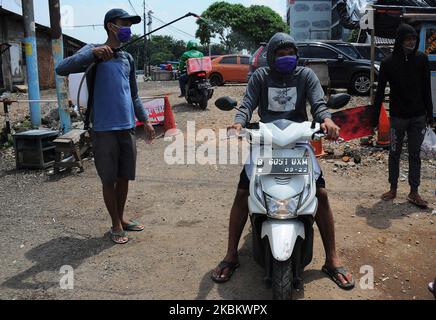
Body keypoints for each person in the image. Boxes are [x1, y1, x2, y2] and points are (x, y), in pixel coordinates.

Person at [211, 33, 355, 290]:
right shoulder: (260, 77)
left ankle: (332, 259)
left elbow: (318, 104)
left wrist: (328, 120)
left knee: (320, 193)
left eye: (291, 52)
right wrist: (238, 122)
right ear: (271, 55)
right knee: (243, 192)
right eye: (281, 53)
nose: (287, 57)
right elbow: (246, 104)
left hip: (299, 141)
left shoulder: (306, 76)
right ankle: (231, 254)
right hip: (266, 141)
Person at [56, 9, 156, 244]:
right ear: (111, 26)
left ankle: (121, 217)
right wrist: (92, 54)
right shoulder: (93, 51)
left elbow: (134, 95)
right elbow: (62, 68)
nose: (128, 29)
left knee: (123, 177)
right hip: (102, 128)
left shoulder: (127, 58)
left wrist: (147, 121)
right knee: (108, 179)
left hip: (127, 127)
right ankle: (114, 223)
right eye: (125, 24)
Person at [373, 24, 433, 209]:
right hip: (397, 117)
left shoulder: (422, 59)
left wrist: (429, 113)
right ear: (400, 40)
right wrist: (374, 116)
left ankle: (414, 192)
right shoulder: (388, 63)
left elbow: (426, 88)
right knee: (394, 153)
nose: (412, 42)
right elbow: (381, 91)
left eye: (414, 39)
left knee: (415, 155)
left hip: (417, 117)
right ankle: (393, 188)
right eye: (408, 39)